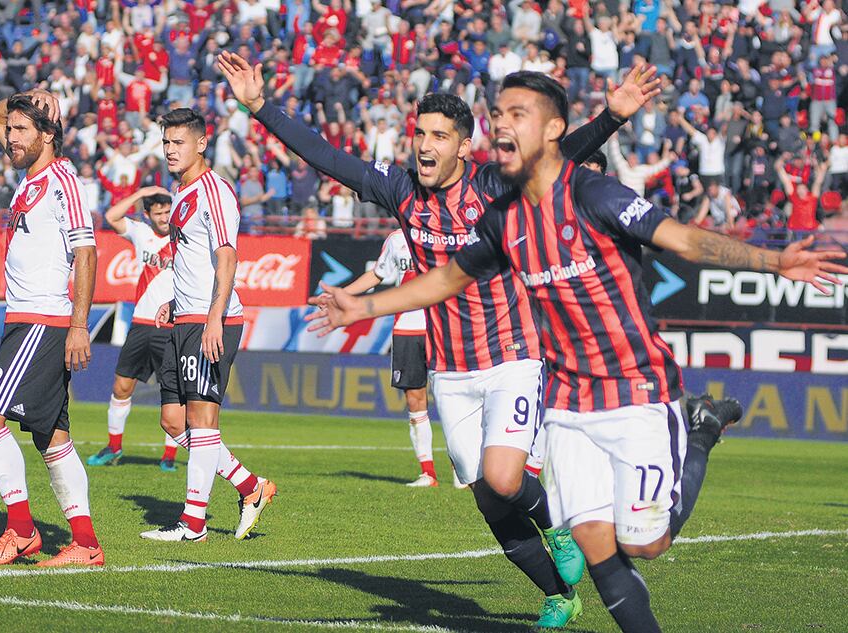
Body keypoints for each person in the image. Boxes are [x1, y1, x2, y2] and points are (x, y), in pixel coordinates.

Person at [306, 71, 848, 632]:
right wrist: (363, 306)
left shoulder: (594, 194)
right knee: (593, 543)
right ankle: (567, 591)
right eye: (500, 116)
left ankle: (700, 431)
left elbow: (686, 240)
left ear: (552, 132)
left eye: (519, 116)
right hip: (567, 401)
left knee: (645, 545)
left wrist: (776, 261)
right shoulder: (502, 219)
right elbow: (446, 279)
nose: (504, 126)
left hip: (635, 387)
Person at [219, 51, 663, 627]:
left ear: (464, 147)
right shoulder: (401, 190)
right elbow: (327, 157)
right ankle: (557, 593)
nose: (424, 145)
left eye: (438, 136)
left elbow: (560, 155)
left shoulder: (493, 187)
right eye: (419, 133)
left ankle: (559, 523)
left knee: (506, 477)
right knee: (485, 495)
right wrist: (260, 107)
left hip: (512, 356)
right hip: (449, 371)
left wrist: (613, 116)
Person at [0, 90, 103, 566]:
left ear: (49, 135)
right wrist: (20, 99)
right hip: (26, 319)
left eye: (22, 130)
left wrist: (79, 325)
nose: (11, 137)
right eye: (11, 131)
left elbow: (87, 251)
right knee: (52, 438)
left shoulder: (62, 179)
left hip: (42, 320)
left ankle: (22, 530)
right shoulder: (30, 175)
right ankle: (86, 545)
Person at [140, 108, 277, 543]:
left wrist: (213, 317)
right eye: (166, 143)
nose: (170, 150)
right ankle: (250, 487)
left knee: (201, 419)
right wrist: (175, 304)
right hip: (186, 316)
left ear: (201, 143)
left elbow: (226, 256)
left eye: (178, 142)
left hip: (212, 320)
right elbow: (189, 258)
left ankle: (193, 524)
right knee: (173, 420)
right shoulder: (180, 193)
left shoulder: (215, 191)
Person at [86, 186, 183, 472]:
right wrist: (144, 190)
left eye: (168, 211)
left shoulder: (186, 237)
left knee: (173, 393)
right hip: (140, 324)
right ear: (147, 214)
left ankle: (169, 456)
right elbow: (111, 215)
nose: (165, 217)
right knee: (121, 386)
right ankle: (114, 447)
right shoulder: (141, 233)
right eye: (159, 213)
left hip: (170, 325)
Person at [343, 229, 438, 487]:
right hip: (407, 326)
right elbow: (377, 274)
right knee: (415, 398)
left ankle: (464, 473)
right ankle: (428, 473)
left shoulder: (449, 230)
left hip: (443, 326)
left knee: (452, 398)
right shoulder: (397, 239)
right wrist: (343, 294)